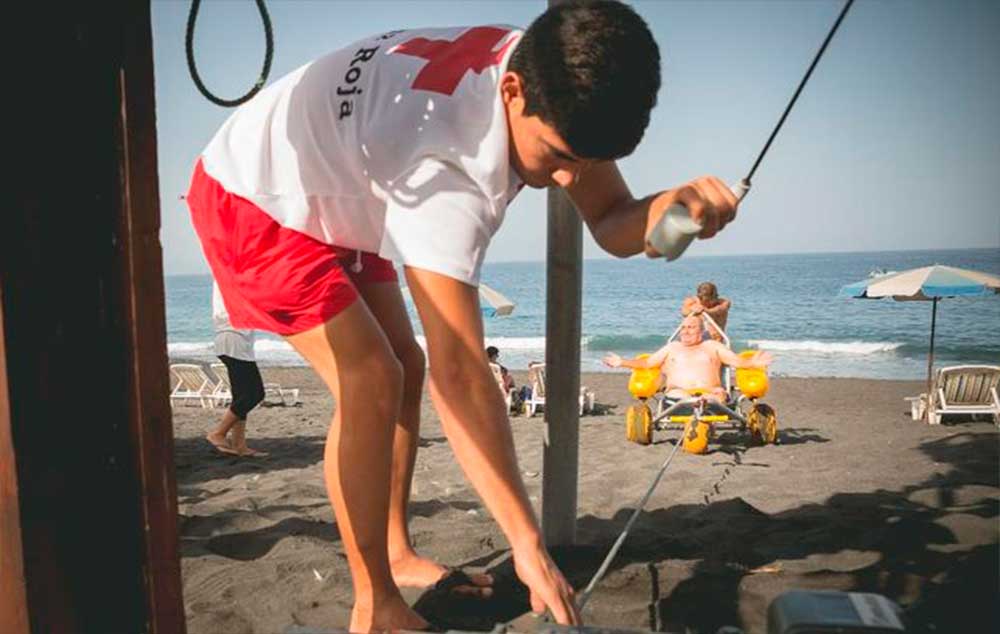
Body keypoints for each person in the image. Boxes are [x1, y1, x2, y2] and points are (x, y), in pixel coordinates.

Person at [184, 2, 741, 630]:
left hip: (340, 181)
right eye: (557, 155)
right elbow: (464, 377)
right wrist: (526, 543)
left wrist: (679, 211)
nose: (565, 177)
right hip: (252, 194)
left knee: (406, 367)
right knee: (371, 380)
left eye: (582, 160)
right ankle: (374, 608)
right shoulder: (445, 171)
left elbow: (612, 222)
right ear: (512, 89)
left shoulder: (556, 66)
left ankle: (393, 554)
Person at [603, 315, 771, 402]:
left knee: (716, 396)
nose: (685, 331)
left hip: (711, 393)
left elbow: (737, 362)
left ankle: (702, 404)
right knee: (682, 397)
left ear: (701, 331)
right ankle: (696, 404)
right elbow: (647, 363)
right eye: (683, 327)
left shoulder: (712, 346)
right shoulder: (672, 347)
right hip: (678, 394)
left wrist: (753, 363)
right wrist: (622, 362)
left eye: (691, 327)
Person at [207, 282, 268, 457]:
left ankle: (239, 445)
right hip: (234, 339)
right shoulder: (229, 274)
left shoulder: (228, 274)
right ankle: (218, 433)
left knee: (241, 397)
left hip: (234, 339)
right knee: (255, 394)